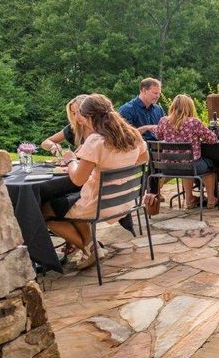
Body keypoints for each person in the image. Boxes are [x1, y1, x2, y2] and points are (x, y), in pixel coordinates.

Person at [42, 94, 148, 270]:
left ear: (90, 117)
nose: (79, 120)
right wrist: (121, 171)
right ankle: (92, 248)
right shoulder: (133, 134)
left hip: (99, 205)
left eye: (81, 116)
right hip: (125, 201)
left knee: (43, 210)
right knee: (70, 200)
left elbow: (77, 179)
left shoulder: (96, 141)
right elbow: (143, 160)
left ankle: (89, 248)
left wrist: (70, 161)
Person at [154, 94, 219, 209]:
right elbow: (213, 139)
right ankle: (211, 200)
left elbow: (158, 137)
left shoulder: (163, 121)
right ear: (190, 107)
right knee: (210, 168)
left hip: (167, 168)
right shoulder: (194, 122)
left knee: (185, 164)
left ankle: (189, 200)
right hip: (191, 166)